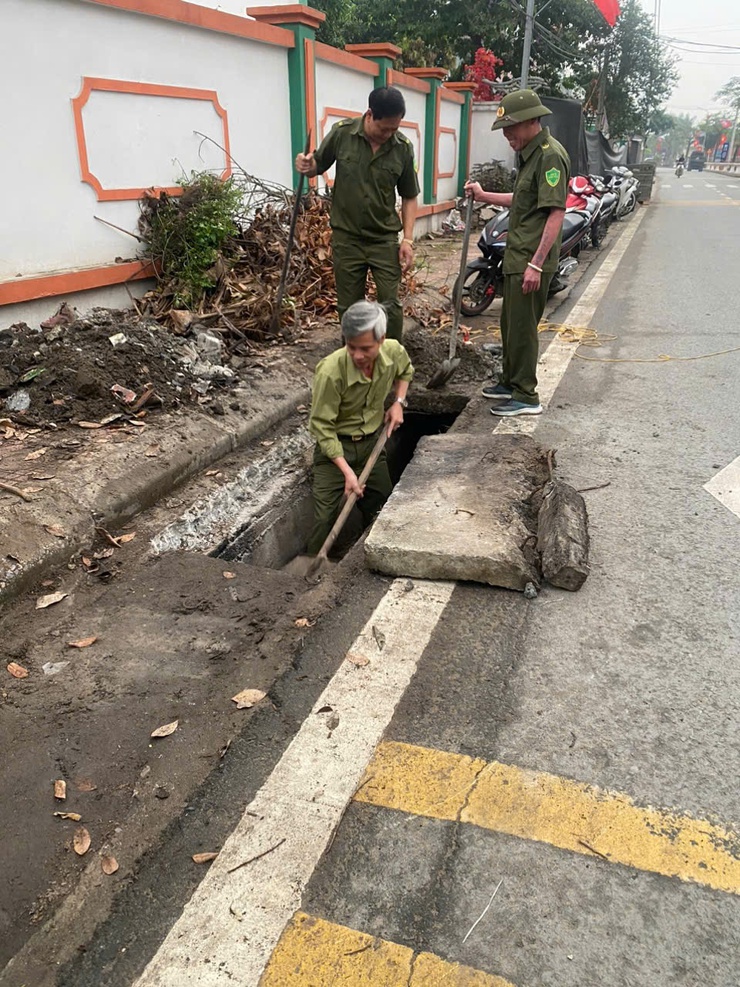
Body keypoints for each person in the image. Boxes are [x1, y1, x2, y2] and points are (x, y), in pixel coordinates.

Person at [465, 90, 570, 417]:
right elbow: (521, 199)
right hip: (516, 256)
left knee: (523, 329)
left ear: (529, 122)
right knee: (511, 324)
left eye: (510, 129)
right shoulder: (530, 155)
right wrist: (484, 195)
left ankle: (526, 395)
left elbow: (556, 212)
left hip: (530, 259)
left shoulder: (550, 156)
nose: (507, 136)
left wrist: (536, 265)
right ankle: (510, 382)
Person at [295, 87, 420, 343]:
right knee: (349, 307)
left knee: (390, 304)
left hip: (383, 239)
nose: (389, 134)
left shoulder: (403, 148)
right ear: (370, 114)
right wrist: (306, 165)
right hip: (347, 238)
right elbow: (317, 164)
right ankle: (352, 358)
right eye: (384, 129)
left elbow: (409, 195)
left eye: (394, 129)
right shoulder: (342, 134)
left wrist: (407, 239)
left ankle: (391, 358)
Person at [306, 300, 413, 556]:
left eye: (365, 348)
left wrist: (398, 402)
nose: (357, 355)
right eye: (351, 347)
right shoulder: (330, 372)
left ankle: (368, 557)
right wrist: (347, 472)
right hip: (335, 451)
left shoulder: (393, 352)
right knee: (324, 518)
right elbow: (322, 427)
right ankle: (310, 566)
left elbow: (405, 372)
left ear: (381, 339)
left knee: (382, 506)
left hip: (371, 446)